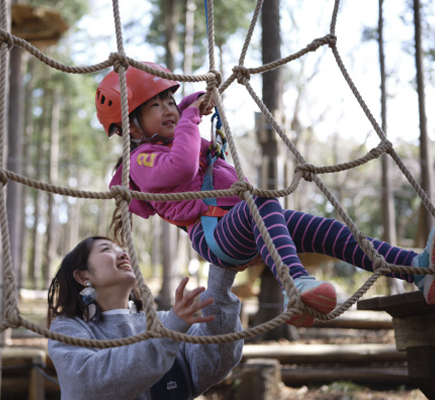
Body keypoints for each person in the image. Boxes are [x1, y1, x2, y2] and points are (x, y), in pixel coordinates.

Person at [96, 62, 435, 327]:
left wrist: (191, 105)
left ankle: (414, 269)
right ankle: (296, 284)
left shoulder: (177, 133)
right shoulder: (140, 161)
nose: (168, 108)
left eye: (170, 99)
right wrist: (189, 117)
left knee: (330, 232)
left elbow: (188, 145)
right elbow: (182, 168)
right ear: (132, 127)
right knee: (260, 199)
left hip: (239, 222)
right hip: (215, 234)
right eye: (155, 104)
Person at [47, 236, 244, 400]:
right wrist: (169, 332)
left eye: (122, 249)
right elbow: (89, 384)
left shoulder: (164, 321)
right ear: (83, 277)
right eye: (106, 249)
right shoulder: (67, 328)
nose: (124, 253)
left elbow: (216, 362)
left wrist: (222, 274)